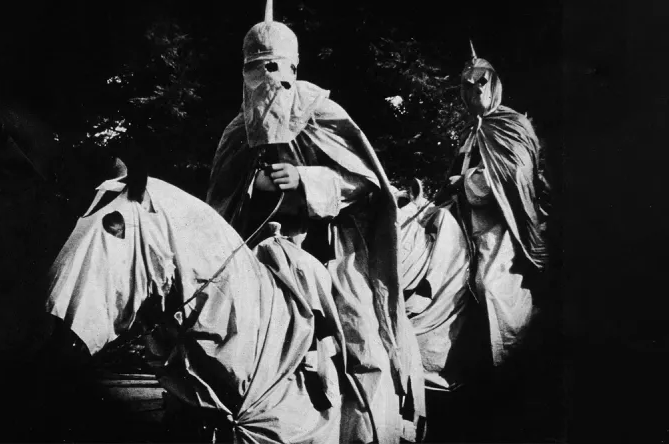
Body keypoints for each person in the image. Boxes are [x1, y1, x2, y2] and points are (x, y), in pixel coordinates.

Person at [205, 1, 426, 442]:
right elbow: (220, 205)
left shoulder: (321, 113)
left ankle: (368, 432)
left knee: (361, 340)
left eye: (277, 68)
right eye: (258, 69)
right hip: (263, 251)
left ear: (294, 67)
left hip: (332, 251)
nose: (269, 80)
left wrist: (305, 180)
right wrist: (255, 186)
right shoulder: (237, 130)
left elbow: (366, 184)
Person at [442, 42, 550, 373]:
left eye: (482, 83)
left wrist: (467, 182)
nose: (476, 91)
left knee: (492, 287)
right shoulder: (470, 132)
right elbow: (455, 174)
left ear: (494, 84)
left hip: (503, 224)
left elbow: (517, 173)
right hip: (467, 222)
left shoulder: (512, 125)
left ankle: (515, 361)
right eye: (468, 86)